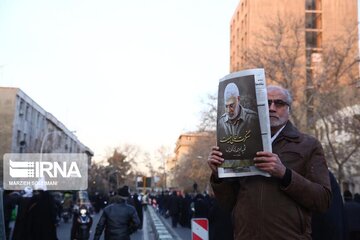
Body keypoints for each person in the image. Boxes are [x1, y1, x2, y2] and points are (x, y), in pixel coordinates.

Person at [208, 85, 332, 239]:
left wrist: (284, 174)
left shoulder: (308, 145)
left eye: (279, 103)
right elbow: (228, 203)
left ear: (289, 109)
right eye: (266, 103)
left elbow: (323, 200)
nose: (272, 108)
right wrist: (218, 174)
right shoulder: (239, 142)